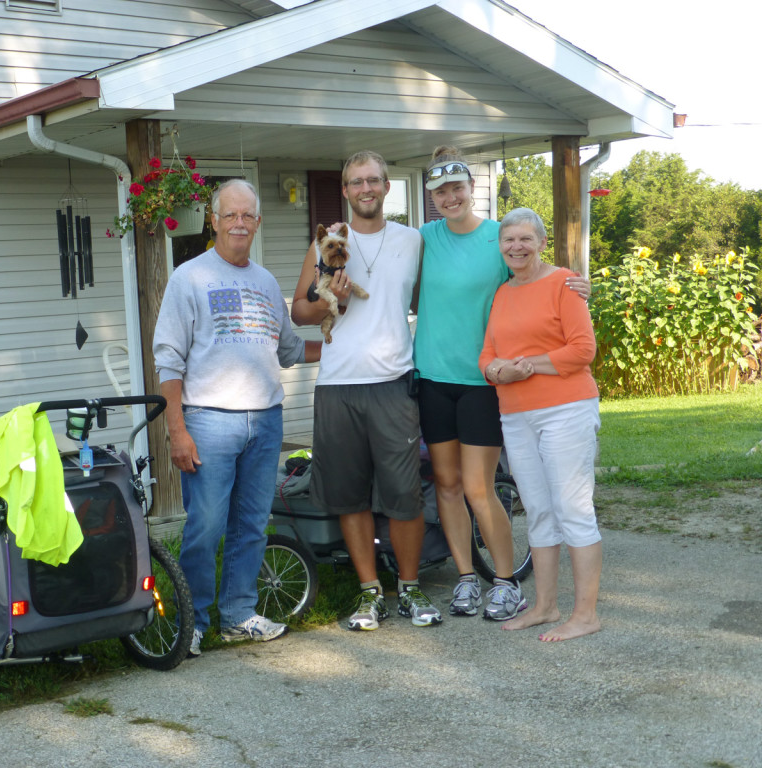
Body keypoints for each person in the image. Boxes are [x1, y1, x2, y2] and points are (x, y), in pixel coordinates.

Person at [414, 146, 590, 622]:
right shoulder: (423, 238)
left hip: (481, 383)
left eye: (457, 188)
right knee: (446, 484)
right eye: (441, 191)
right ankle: (467, 579)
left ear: (473, 190)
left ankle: (506, 582)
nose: (450, 197)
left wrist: (577, 283)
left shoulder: (499, 237)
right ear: (431, 196)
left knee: (477, 486)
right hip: (431, 376)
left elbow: (536, 274)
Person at [154, 179, 321, 658]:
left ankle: (238, 615)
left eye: (248, 215)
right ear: (214, 220)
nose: (240, 223)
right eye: (230, 215)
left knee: (251, 523)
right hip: (208, 422)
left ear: (259, 222)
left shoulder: (266, 283)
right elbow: (168, 360)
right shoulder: (189, 278)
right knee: (205, 527)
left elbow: (289, 350)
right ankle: (191, 622)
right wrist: (177, 431)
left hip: (265, 420)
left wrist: (344, 344)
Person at [291, 150, 442, 632]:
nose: (366, 189)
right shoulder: (328, 242)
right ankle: (369, 591)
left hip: (394, 382)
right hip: (338, 385)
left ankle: (411, 588)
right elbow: (299, 313)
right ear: (345, 189)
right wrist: (325, 296)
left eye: (374, 180)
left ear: (387, 186)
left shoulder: (412, 240)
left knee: (404, 495)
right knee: (350, 496)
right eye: (356, 182)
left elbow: (437, 296)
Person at [479, 207, 602, 641]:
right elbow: (487, 354)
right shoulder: (502, 293)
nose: (516, 247)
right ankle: (546, 607)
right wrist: (495, 372)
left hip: (564, 409)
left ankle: (585, 615)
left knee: (573, 509)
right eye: (508, 239)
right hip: (515, 414)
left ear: (542, 242)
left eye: (525, 239)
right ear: (501, 246)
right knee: (538, 511)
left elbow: (582, 350)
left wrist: (526, 367)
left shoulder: (563, 283)